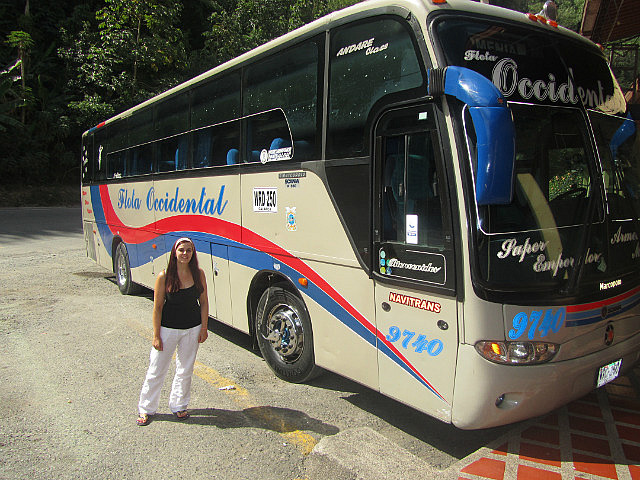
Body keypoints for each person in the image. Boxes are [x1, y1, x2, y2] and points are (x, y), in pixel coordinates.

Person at [136, 237, 209, 426]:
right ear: (174, 253)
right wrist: (156, 335)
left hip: (192, 329)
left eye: (189, 250)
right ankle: (146, 409)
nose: (185, 254)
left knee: (185, 370)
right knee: (156, 369)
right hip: (167, 330)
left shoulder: (199, 274)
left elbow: (204, 302)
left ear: (193, 253)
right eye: (181, 250)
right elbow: (158, 307)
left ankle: (179, 405)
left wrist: (204, 327)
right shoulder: (164, 276)